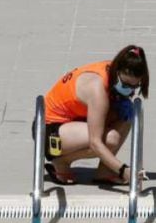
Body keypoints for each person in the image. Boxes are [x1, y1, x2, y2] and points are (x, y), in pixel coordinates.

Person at [40, 45, 149, 186]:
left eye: (135, 87)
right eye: (126, 84)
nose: (130, 91)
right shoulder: (97, 90)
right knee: (111, 139)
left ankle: (104, 172)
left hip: (72, 122)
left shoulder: (113, 69)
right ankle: (61, 162)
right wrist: (123, 170)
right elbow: (95, 142)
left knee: (126, 115)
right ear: (117, 72)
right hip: (47, 132)